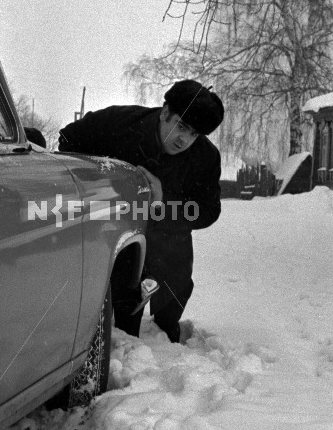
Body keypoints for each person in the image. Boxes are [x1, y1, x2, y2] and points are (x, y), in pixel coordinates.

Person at [59, 79, 224, 344]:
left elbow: (208, 211)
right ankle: (116, 333)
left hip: (166, 229)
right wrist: (109, 180)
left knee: (174, 285)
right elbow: (68, 139)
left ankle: (164, 332)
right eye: (181, 126)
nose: (184, 140)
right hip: (115, 220)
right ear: (165, 112)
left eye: (193, 134)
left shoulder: (205, 157)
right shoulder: (121, 123)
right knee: (118, 291)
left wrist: (162, 202)